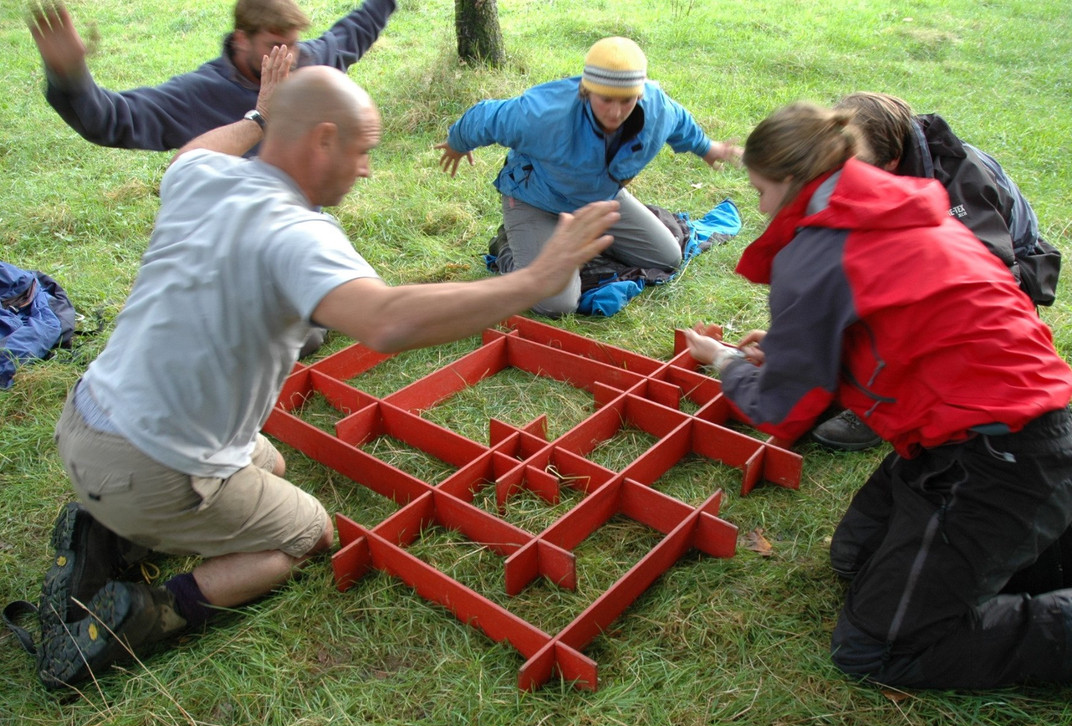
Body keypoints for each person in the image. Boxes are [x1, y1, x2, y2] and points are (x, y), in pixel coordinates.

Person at [37, 55, 621, 690]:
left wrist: (260, 113)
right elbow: (387, 320)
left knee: (274, 465)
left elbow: (196, 148)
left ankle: (113, 530)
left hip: (87, 421)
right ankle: (142, 615)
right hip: (155, 464)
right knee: (303, 537)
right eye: (363, 149)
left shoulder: (203, 175)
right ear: (322, 140)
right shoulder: (298, 234)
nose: (367, 167)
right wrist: (533, 278)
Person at [685, 102, 1072, 689]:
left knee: (874, 649)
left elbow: (785, 411)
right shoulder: (894, 202)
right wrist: (795, 346)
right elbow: (887, 323)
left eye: (761, 190)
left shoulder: (815, 252)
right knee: (853, 558)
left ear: (793, 182)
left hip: (1004, 452)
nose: (761, 206)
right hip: (970, 428)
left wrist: (728, 364)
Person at [812, 91, 1063, 451]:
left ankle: (880, 406)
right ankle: (848, 383)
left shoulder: (960, 181)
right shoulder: (869, 158)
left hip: (1006, 280)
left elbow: (987, 283)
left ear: (893, 160)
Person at [434, 36, 740, 317]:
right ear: (586, 89)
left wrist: (706, 147)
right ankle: (509, 244)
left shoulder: (656, 107)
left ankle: (576, 243)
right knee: (556, 304)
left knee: (666, 257)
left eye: (626, 100)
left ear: (640, 93)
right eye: (605, 98)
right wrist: (457, 143)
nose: (616, 112)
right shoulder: (543, 113)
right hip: (536, 199)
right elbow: (486, 117)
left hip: (597, 200)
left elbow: (680, 123)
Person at [27, 0, 396, 152]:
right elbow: (112, 119)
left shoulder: (306, 65)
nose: (287, 56)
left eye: (293, 44)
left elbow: (356, 29)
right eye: (274, 45)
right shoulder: (198, 95)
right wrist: (70, 74)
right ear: (241, 40)